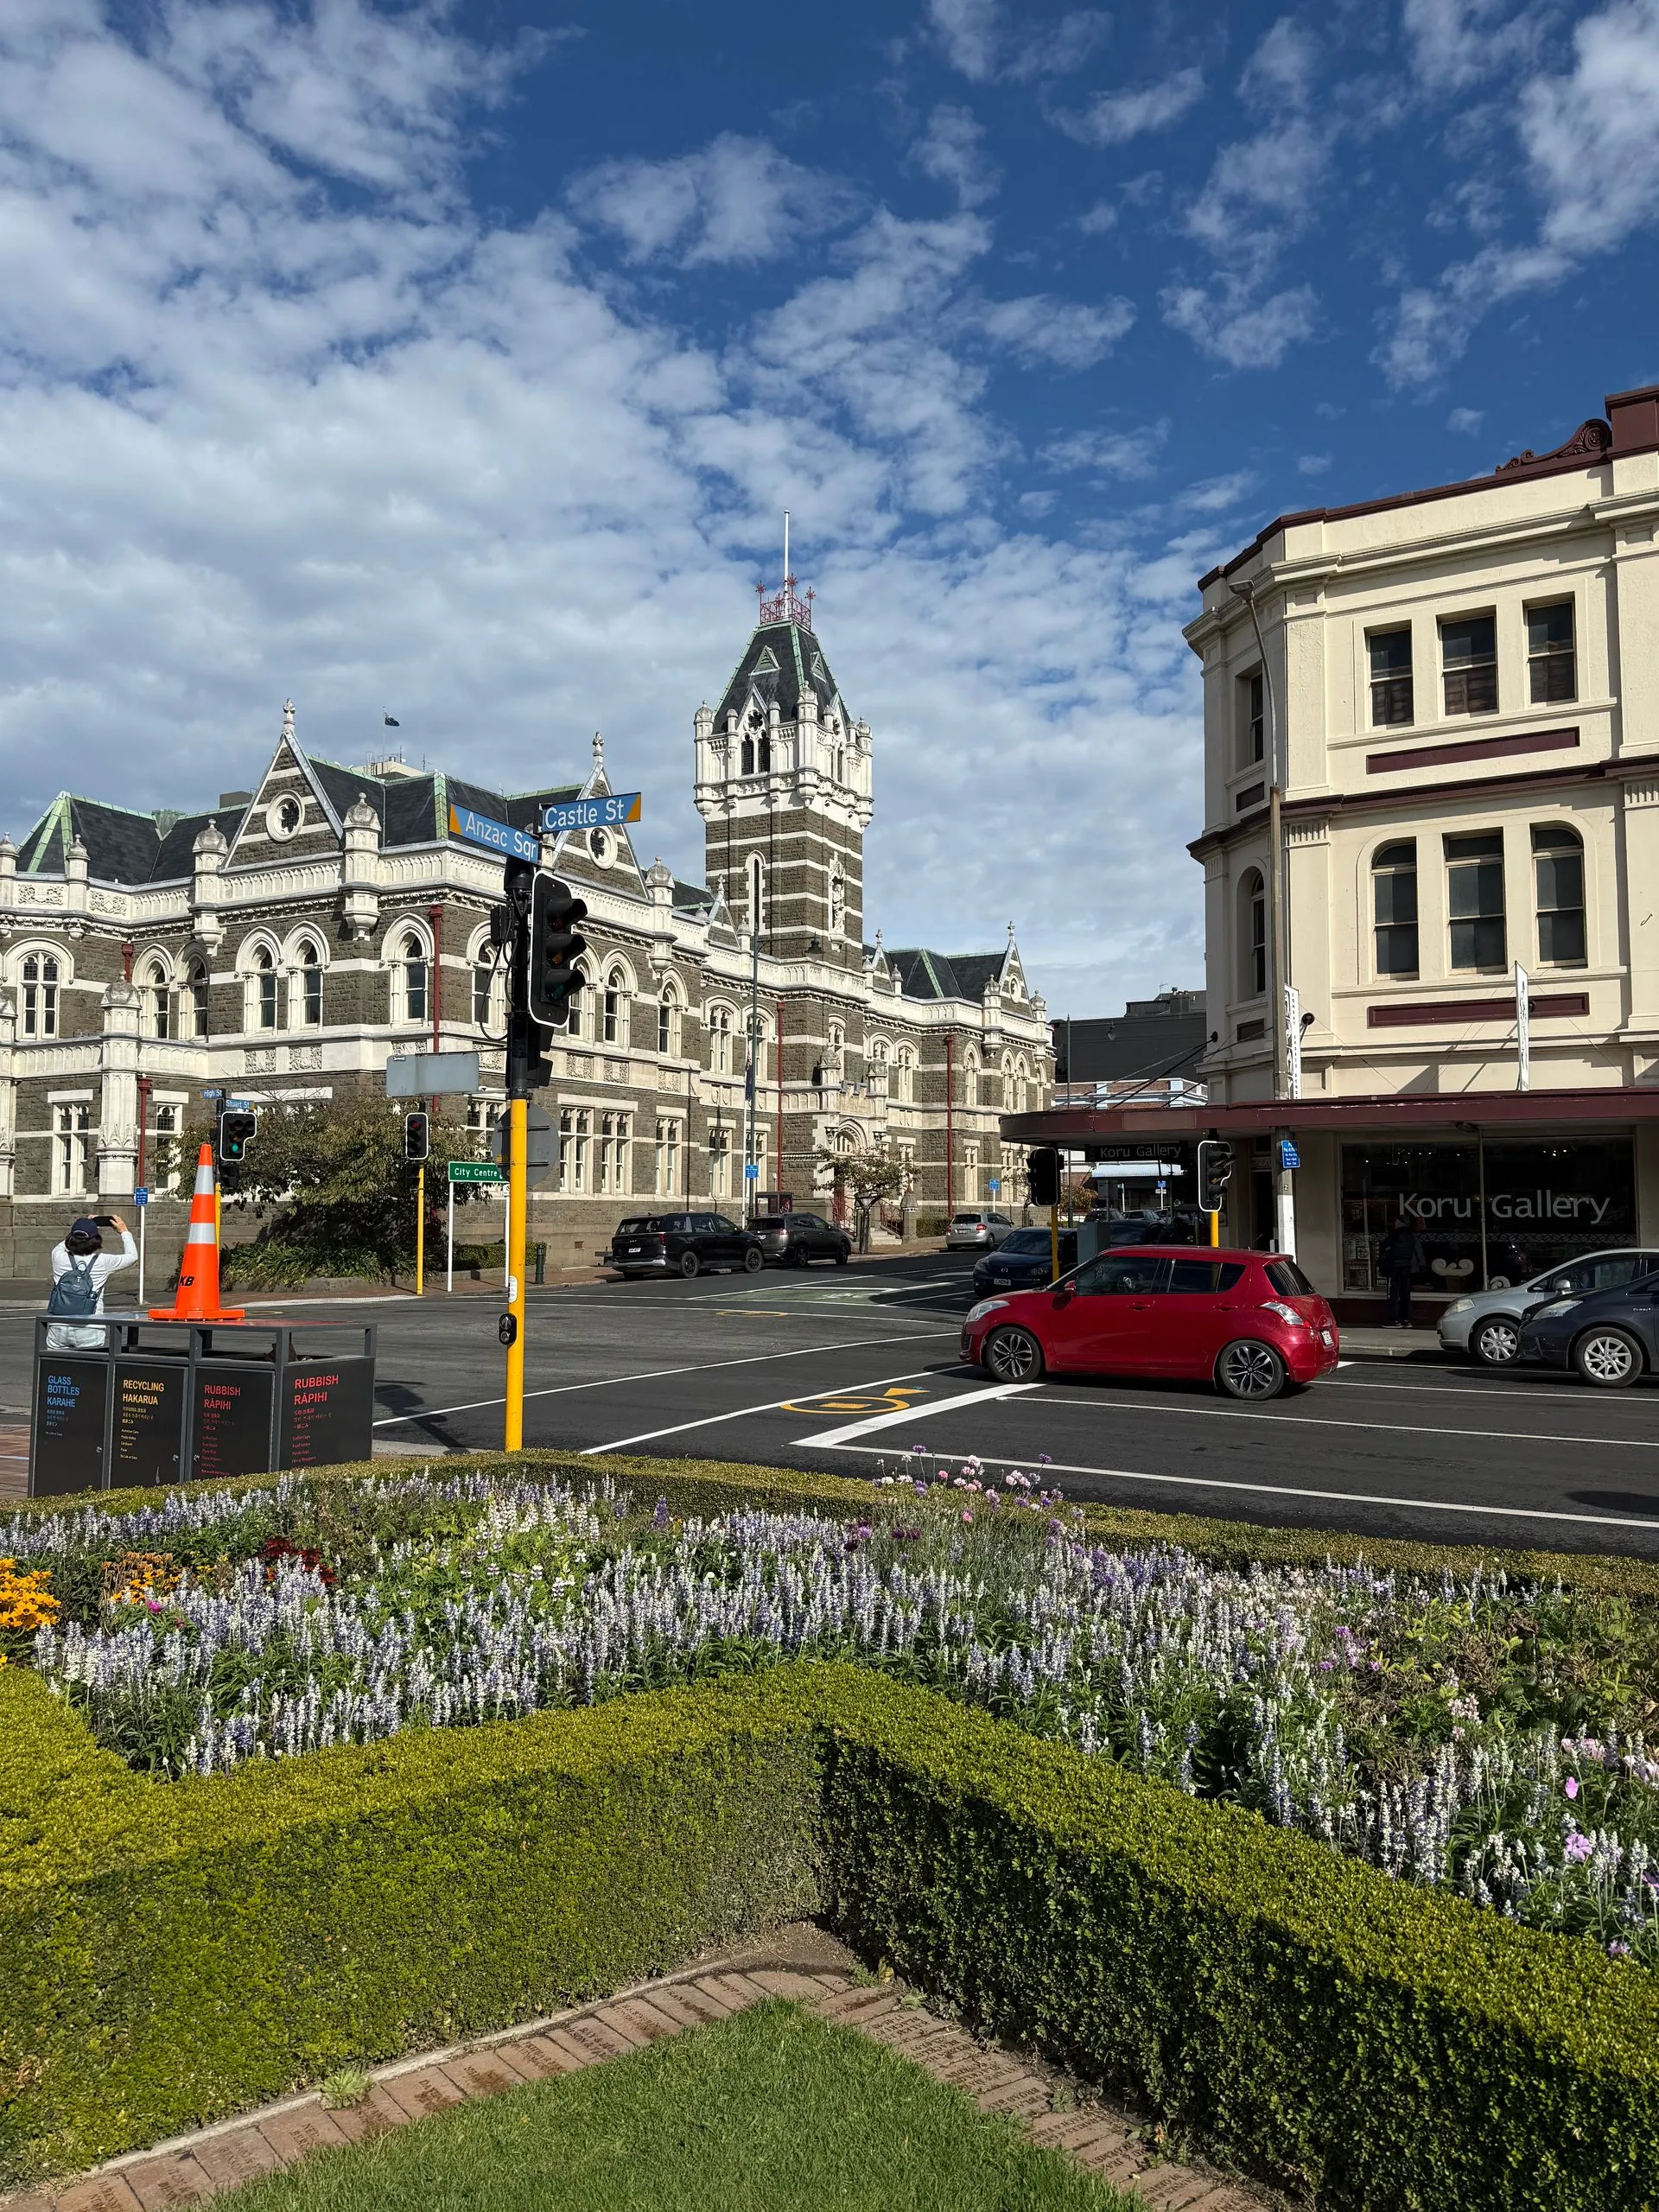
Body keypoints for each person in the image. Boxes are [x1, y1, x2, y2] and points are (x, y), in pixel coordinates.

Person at [46, 1213, 137, 1351]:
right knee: (89, 1363)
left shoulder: (58, 1256)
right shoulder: (103, 1261)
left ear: (71, 1238)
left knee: (55, 1362)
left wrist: (84, 1227)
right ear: (96, 1241)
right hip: (90, 1326)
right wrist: (124, 1231)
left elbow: (63, 1244)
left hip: (58, 1325)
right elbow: (132, 1256)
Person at [1376, 1217, 1426, 1328]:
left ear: (1399, 1223)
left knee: (1393, 1294)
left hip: (1394, 1268)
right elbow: (1417, 1252)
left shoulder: (1393, 1236)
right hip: (1406, 1268)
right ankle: (1405, 1319)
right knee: (1405, 1294)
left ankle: (1394, 1320)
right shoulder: (1411, 1236)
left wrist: (1382, 1265)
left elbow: (1385, 1251)